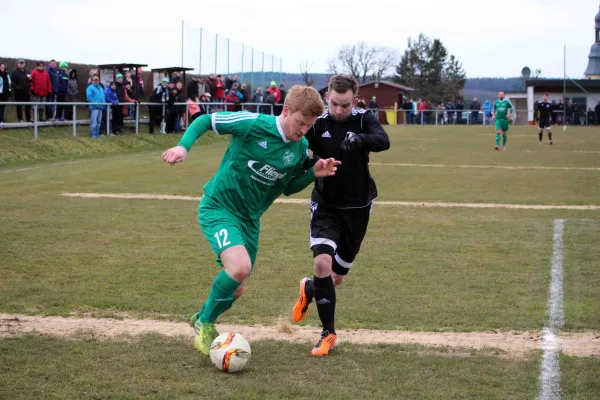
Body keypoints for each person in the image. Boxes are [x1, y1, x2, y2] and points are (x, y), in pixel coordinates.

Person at [161, 85, 341, 356]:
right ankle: (206, 325)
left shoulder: (299, 147)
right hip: (219, 207)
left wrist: (313, 172)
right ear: (286, 110)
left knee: (238, 288)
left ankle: (201, 316)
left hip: (250, 221)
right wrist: (183, 146)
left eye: (310, 125)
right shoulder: (252, 124)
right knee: (240, 267)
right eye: (301, 123)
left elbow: (289, 187)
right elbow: (205, 120)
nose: (304, 130)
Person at [291, 74, 390, 357]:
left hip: (358, 208)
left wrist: (359, 140)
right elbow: (297, 151)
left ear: (354, 101)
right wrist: (312, 162)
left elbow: (383, 140)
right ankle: (328, 333)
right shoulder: (318, 122)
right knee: (322, 263)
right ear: (327, 97)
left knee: (335, 277)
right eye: (334, 103)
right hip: (325, 206)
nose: (338, 111)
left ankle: (309, 289)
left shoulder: (362, 118)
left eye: (345, 106)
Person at [86, 74, 105, 138]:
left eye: (97, 80)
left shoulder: (101, 88)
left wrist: (103, 104)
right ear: (92, 81)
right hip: (94, 107)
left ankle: (97, 134)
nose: (96, 81)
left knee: (99, 121)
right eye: (95, 80)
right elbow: (89, 97)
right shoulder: (90, 88)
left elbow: (103, 97)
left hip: (101, 107)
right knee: (94, 121)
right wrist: (94, 103)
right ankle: (93, 135)